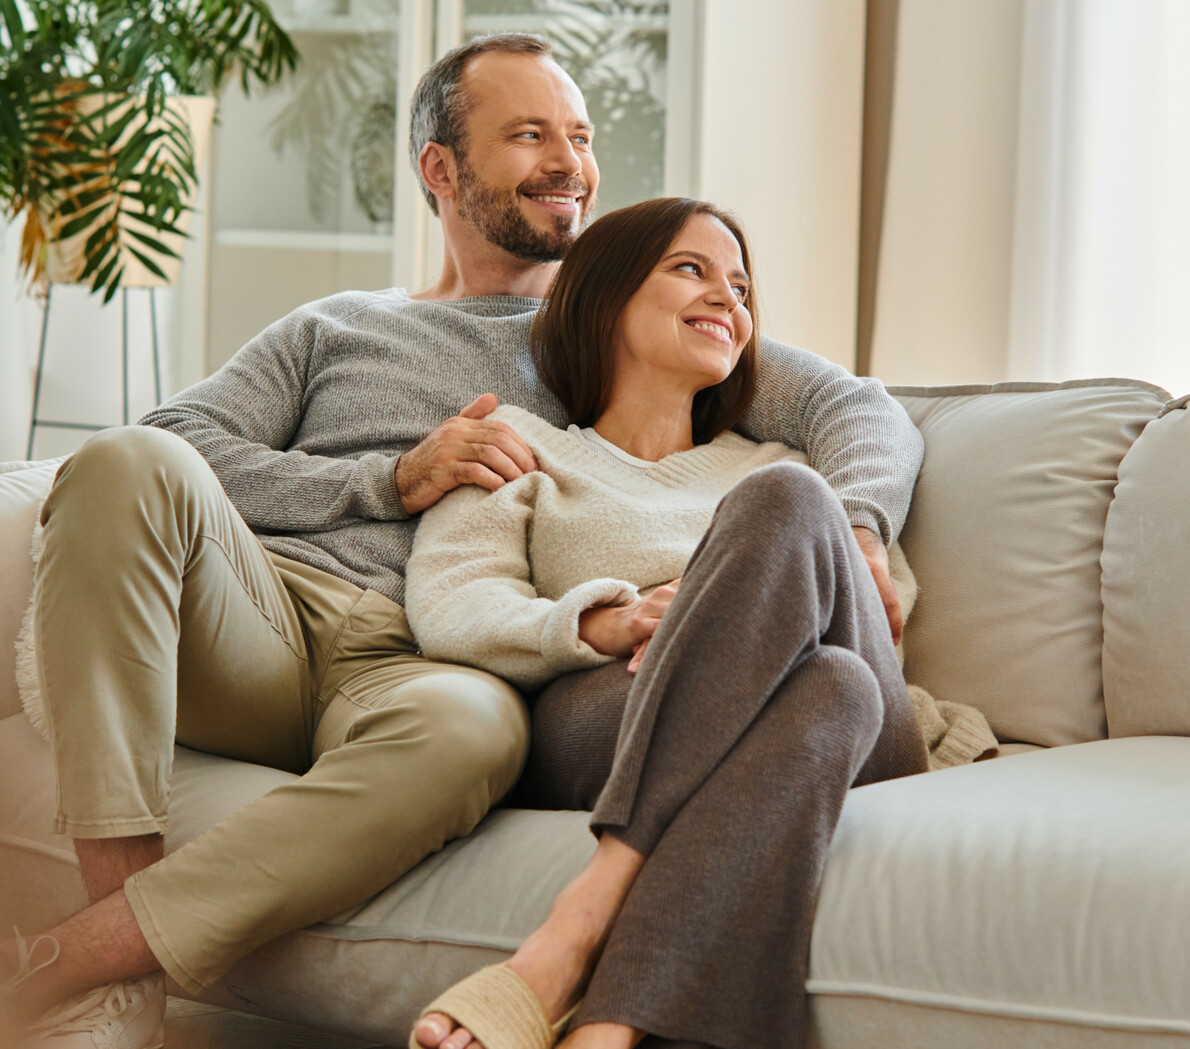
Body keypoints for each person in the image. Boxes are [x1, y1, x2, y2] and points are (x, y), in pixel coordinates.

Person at [0, 31, 929, 1049]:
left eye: (578, 134)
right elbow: (175, 442)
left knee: (480, 732)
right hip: (265, 613)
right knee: (125, 460)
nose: (569, 161)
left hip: (420, 658)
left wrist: (863, 530)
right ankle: (112, 950)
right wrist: (389, 478)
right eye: (530, 135)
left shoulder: (618, 321)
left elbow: (860, 412)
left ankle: (84, 956)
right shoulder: (336, 326)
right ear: (441, 168)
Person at [401, 197, 993, 1049]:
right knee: (830, 690)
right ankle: (607, 1032)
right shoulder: (520, 447)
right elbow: (452, 604)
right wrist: (607, 619)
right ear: (602, 296)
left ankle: (574, 927)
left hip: (875, 742)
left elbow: (869, 613)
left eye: (742, 287)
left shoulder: (784, 471)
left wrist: (722, 606)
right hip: (611, 711)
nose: (728, 299)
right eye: (692, 270)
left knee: (793, 522)